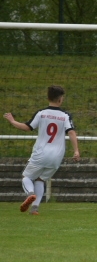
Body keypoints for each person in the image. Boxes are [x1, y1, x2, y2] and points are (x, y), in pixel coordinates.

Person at [4, 85, 80, 215]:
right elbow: (71, 132)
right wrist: (76, 150)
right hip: (57, 156)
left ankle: (30, 194)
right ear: (60, 99)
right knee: (40, 179)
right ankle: (35, 208)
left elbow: (27, 127)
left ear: (47, 98)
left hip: (41, 153)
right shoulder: (65, 115)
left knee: (26, 177)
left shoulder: (41, 113)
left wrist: (12, 121)